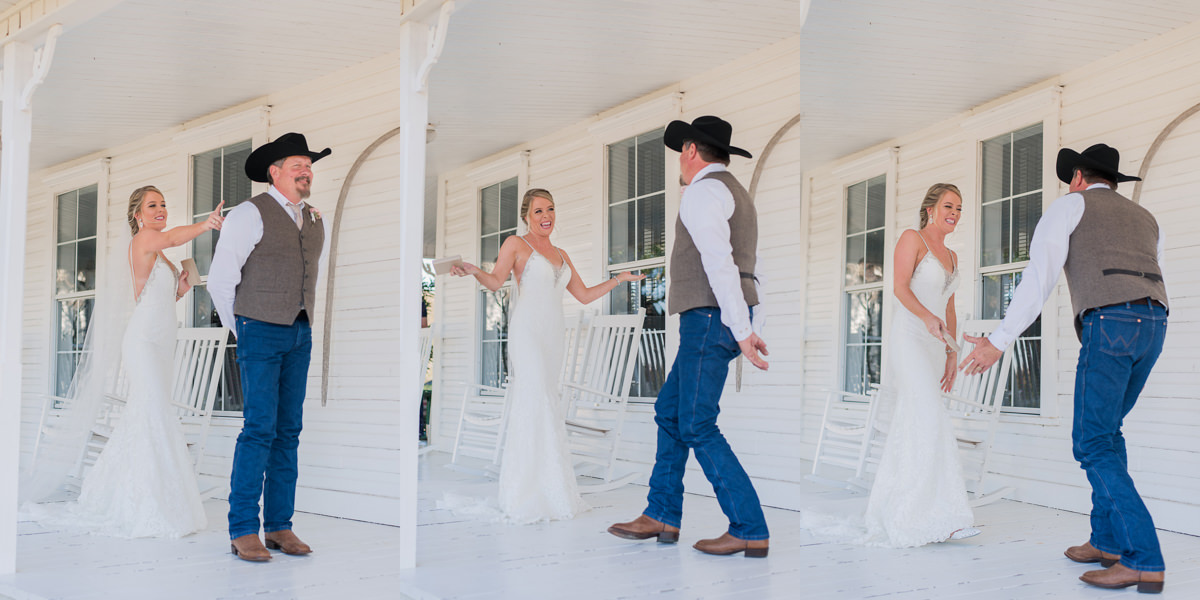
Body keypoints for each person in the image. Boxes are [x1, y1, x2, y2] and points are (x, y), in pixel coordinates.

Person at [960, 144, 1168, 593]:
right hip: (1155, 324)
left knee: (1092, 441)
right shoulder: (1145, 217)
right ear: (1112, 181)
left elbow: (1039, 278)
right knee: (1108, 433)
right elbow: (1152, 274)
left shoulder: (1071, 206)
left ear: (1077, 176)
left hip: (1110, 322)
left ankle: (1142, 558)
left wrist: (999, 340)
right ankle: (1107, 541)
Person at [608, 115, 771, 557]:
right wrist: (746, 325)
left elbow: (721, 265)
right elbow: (747, 266)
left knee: (697, 423)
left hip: (709, 317)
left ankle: (749, 526)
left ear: (692, 151)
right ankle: (662, 514)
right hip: (719, 316)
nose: (680, 158)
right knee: (670, 412)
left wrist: (741, 331)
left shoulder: (703, 192)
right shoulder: (735, 193)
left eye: (682, 150)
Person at [38, 185, 224, 538]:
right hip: (142, 342)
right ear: (137, 215)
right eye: (152, 205)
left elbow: (160, 295)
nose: (161, 209)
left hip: (161, 340)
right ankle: (143, 503)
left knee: (151, 414)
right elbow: (170, 238)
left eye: (164, 204)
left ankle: (150, 496)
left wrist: (181, 287)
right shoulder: (144, 241)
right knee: (153, 410)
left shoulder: (161, 254)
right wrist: (206, 225)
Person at [451, 188, 644, 523]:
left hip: (553, 337)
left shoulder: (562, 254)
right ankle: (521, 492)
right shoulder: (516, 244)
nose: (546, 217)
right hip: (526, 333)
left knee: (546, 402)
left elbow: (583, 295)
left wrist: (618, 280)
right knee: (535, 397)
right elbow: (496, 282)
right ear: (527, 216)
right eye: (539, 211)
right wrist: (472, 271)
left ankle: (550, 486)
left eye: (551, 209)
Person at [208, 132, 331, 562]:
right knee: (259, 429)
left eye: (308, 164)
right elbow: (221, 281)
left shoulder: (315, 218)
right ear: (273, 172)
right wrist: (245, 330)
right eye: (296, 164)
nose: (305, 170)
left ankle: (279, 526)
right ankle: (243, 528)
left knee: (288, 432)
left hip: (300, 332)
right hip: (258, 330)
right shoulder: (249, 214)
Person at [861, 183, 979, 547]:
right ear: (931, 208)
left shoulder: (954, 257)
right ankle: (944, 514)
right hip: (909, 338)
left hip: (935, 344)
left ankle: (908, 508)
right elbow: (899, 288)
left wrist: (952, 353)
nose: (955, 213)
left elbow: (950, 309)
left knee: (914, 421)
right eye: (949, 206)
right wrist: (927, 319)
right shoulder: (913, 238)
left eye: (959, 208)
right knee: (930, 415)